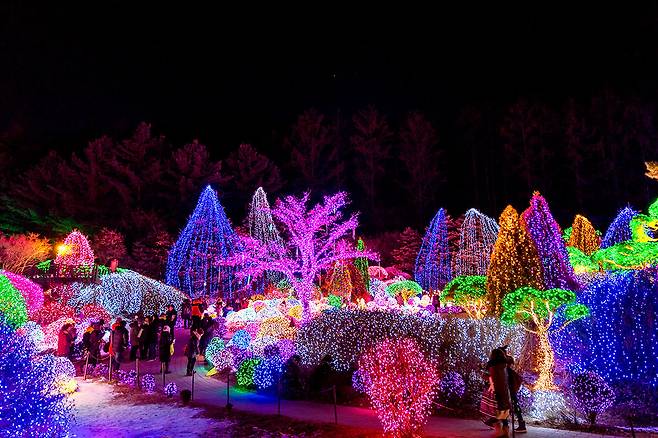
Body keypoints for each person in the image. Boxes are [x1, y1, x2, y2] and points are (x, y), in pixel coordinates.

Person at [480, 348, 512, 437]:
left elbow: (490, 378)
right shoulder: (504, 365)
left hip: (495, 392)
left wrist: (484, 375)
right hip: (504, 392)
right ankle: (505, 432)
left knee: (494, 413)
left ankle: (499, 432)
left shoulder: (492, 366)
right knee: (503, 414)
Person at [502, 346, 527, 434]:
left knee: (507, 407)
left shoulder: (507, 371)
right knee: (515, 406)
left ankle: (506, 426)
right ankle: (520, 424)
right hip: (511, 391)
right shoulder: (509, 371)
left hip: (510, 391)